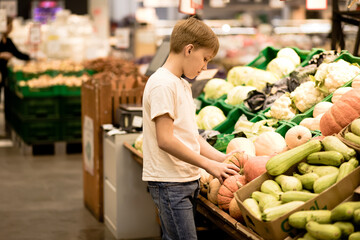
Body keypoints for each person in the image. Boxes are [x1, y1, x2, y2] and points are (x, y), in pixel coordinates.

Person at [142, 16, 240, 240]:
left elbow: (190, 137)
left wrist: (222, 158)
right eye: (204, 59)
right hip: (170, 182)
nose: (205, 67)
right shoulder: (163, 84)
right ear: (188, 49)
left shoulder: (181, 84)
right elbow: (165, 139)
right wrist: (208, 165)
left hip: (184, 178)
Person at [0, 17, 30, 102]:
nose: (11, 28)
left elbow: (17, 53)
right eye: (10, 25)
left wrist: (31, 57)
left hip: (4, 72)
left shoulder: (8, 40)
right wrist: (1, 55)